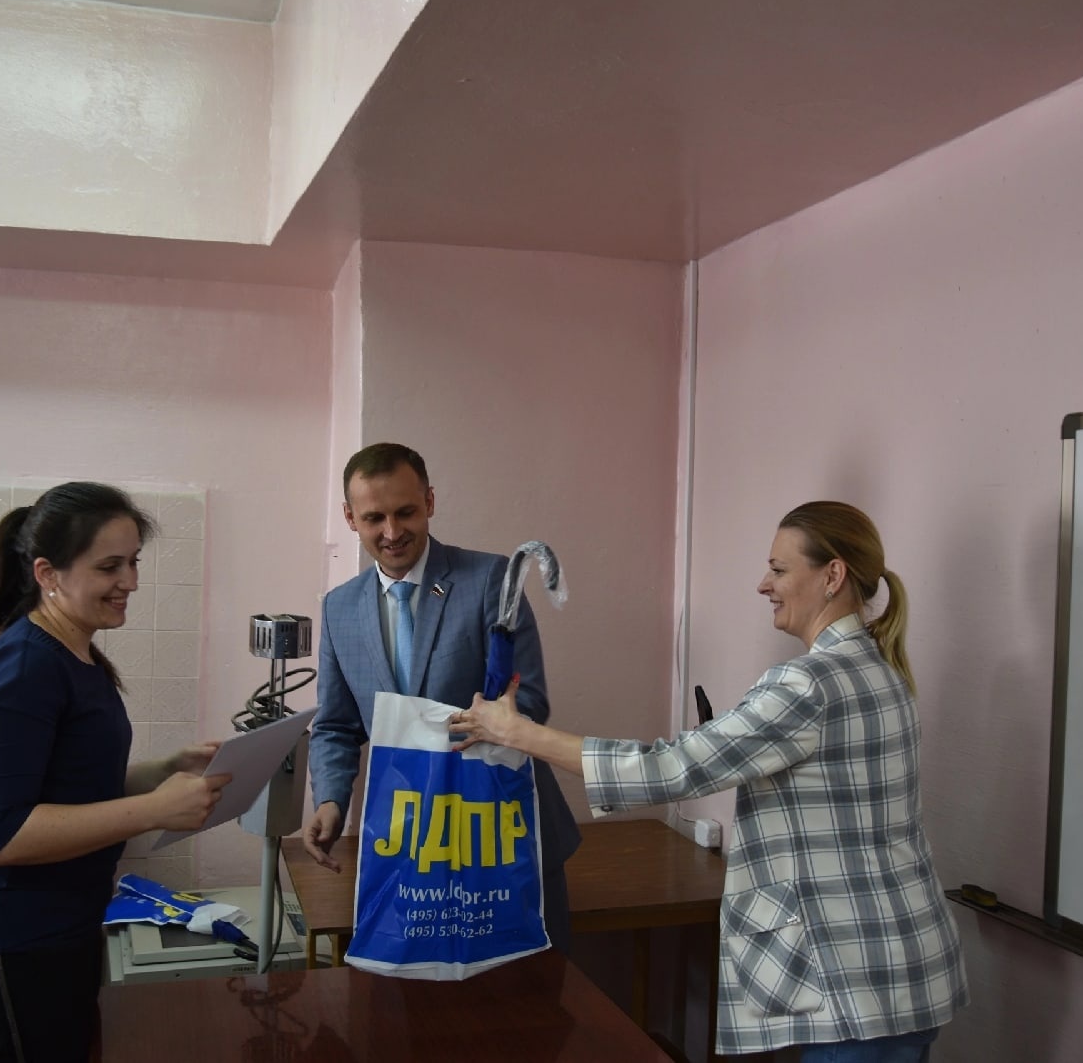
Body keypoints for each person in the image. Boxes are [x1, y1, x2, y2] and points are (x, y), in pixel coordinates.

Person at [450, 501, 969, 1062]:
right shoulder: (881, 671)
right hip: (899, 966)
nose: (763, 584)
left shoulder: (808, 684)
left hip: (852, 985)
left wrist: (518, 732)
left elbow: (665, 768)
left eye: (779, 569)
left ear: (833, 575)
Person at [0, 482, 231, 1063]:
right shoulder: (24, 667)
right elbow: (2, 835)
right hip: (6, 940)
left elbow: (72, 787)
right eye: (110, 566)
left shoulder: (76, 653)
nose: (130, 582)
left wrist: (165, 770)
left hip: (60, 927)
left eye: (134, 562)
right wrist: (154, 810)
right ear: (48, 573)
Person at [303, 442, 582, 951]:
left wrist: (461, 728)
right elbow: (336, 726)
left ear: (430, 501)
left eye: (406, 512)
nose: (392, 532)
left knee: (531, 992)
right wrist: (330, 800)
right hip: (407, 848)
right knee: (414, 998)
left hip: (504, 839)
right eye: (374, 518)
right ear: (350, 518)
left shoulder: (491, 579)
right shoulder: (340, 608)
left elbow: (530, 702)